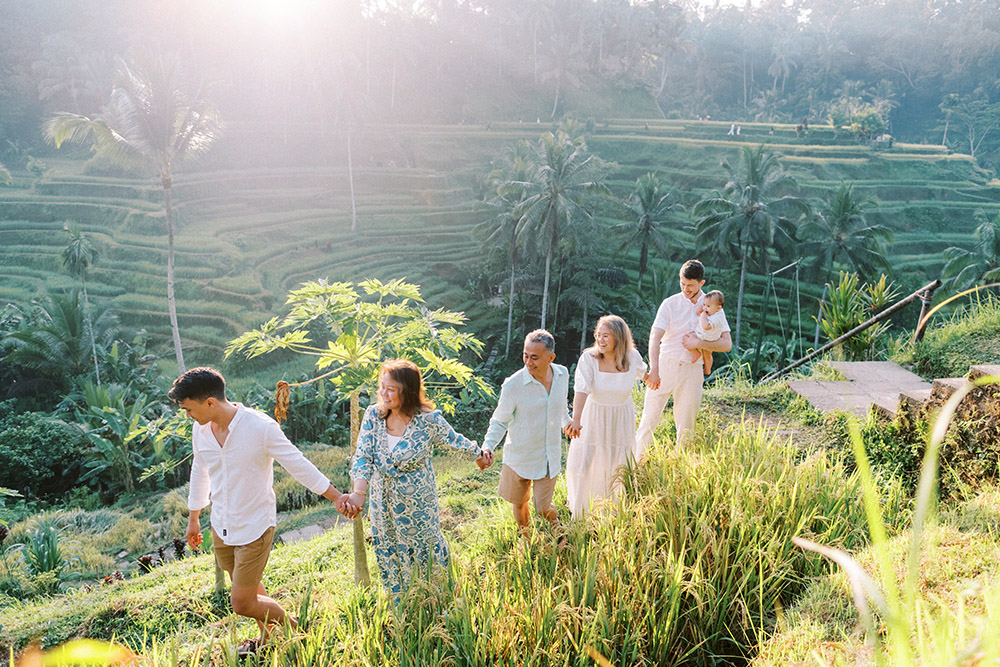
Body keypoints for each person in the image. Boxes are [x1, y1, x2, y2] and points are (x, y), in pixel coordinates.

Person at [173, 367, 355, 656]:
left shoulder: (260, 427)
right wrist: (194, 517)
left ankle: (296, 629)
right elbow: (200, 470)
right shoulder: (201, 429)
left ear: (209, 402)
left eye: (188, 409)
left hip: (255, 526)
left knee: (242, 603)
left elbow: (297, 463)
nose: (187, 416)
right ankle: (268, 636)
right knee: (250, 587)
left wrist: (334, 496)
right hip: (221, 524)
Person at [345, 359, 493, 598]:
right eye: (382, 386)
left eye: (391, 389)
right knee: (388, 548)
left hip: (418, 505)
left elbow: (454, 441)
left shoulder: (428, 421)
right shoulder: (374, 415)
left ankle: (435, 597)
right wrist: (359, 493)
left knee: (424, 548)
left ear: (408, 391)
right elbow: (363, 456)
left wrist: (479, 455)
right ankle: (401, 602)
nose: (384, 393)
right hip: (383, 504)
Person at [635, 260, 731, 457]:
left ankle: (680, 470)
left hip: (692, 370)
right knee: (649, 419)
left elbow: (726, 344)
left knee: (687, 427)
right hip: (665, 365)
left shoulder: (712, 305)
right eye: (682, 283)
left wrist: (700, 344)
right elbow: (655, 336)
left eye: (690, 285)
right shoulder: (670, 303)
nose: (685, 289)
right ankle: (634, 465)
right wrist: (654, 369)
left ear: (701, 283)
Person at [482, 330, 570, 538]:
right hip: (519, 456)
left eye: (535, 357)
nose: (528, 362)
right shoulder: (513, 385)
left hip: (549, 454)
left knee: (542, 507)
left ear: (551, 358)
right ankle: (527, 541)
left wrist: (568, 423)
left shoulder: (562, 375)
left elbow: (561, 407)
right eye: (525, 355)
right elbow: (499, 420)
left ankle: (560, 538)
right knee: (520, 504)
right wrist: (488, 445)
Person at [564, 315, 647, 520]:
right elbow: (581, 390)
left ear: (618, 338)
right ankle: (582, 510)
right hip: (594, 416)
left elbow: (645, 374)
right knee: (586, 461)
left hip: (621, 417)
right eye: (598, 335)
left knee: (618, 461)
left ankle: (614, 511)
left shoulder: (632, 357)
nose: (600, 340)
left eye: (605, 336)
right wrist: (576, 419)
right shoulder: (589, 358)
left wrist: (655, 377)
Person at [691, 290, 727, 376]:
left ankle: (696, 353)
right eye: (704, 305)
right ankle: (707, 369)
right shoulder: (717, 311)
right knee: (707, 354)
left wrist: (703, 316)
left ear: (718, 308)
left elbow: (706, 326)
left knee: (688, 337)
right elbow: (702, 308)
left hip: (705, 336)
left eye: (708, 306)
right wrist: (703, 308)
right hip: (713, 337)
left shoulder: (718, 318)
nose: (705, 308)